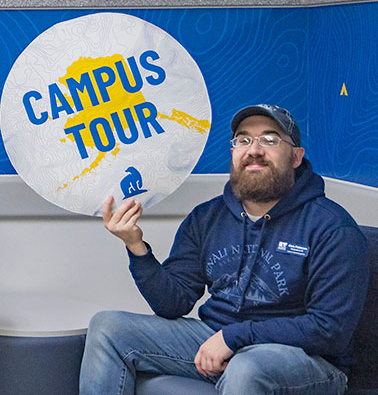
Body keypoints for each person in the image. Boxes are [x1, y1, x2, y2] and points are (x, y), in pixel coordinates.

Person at [79, 104, 367, 395]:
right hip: (218, 337)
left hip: (305, 358)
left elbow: (331, 330)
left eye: (270, 139)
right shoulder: (207, 217)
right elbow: (173, 303)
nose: (254, 149)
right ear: (233, 151)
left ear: (296, 157)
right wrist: (135, 245)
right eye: (243, 140)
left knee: (247, 369)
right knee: (107, 328)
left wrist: (234, 337)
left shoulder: (332, 227)